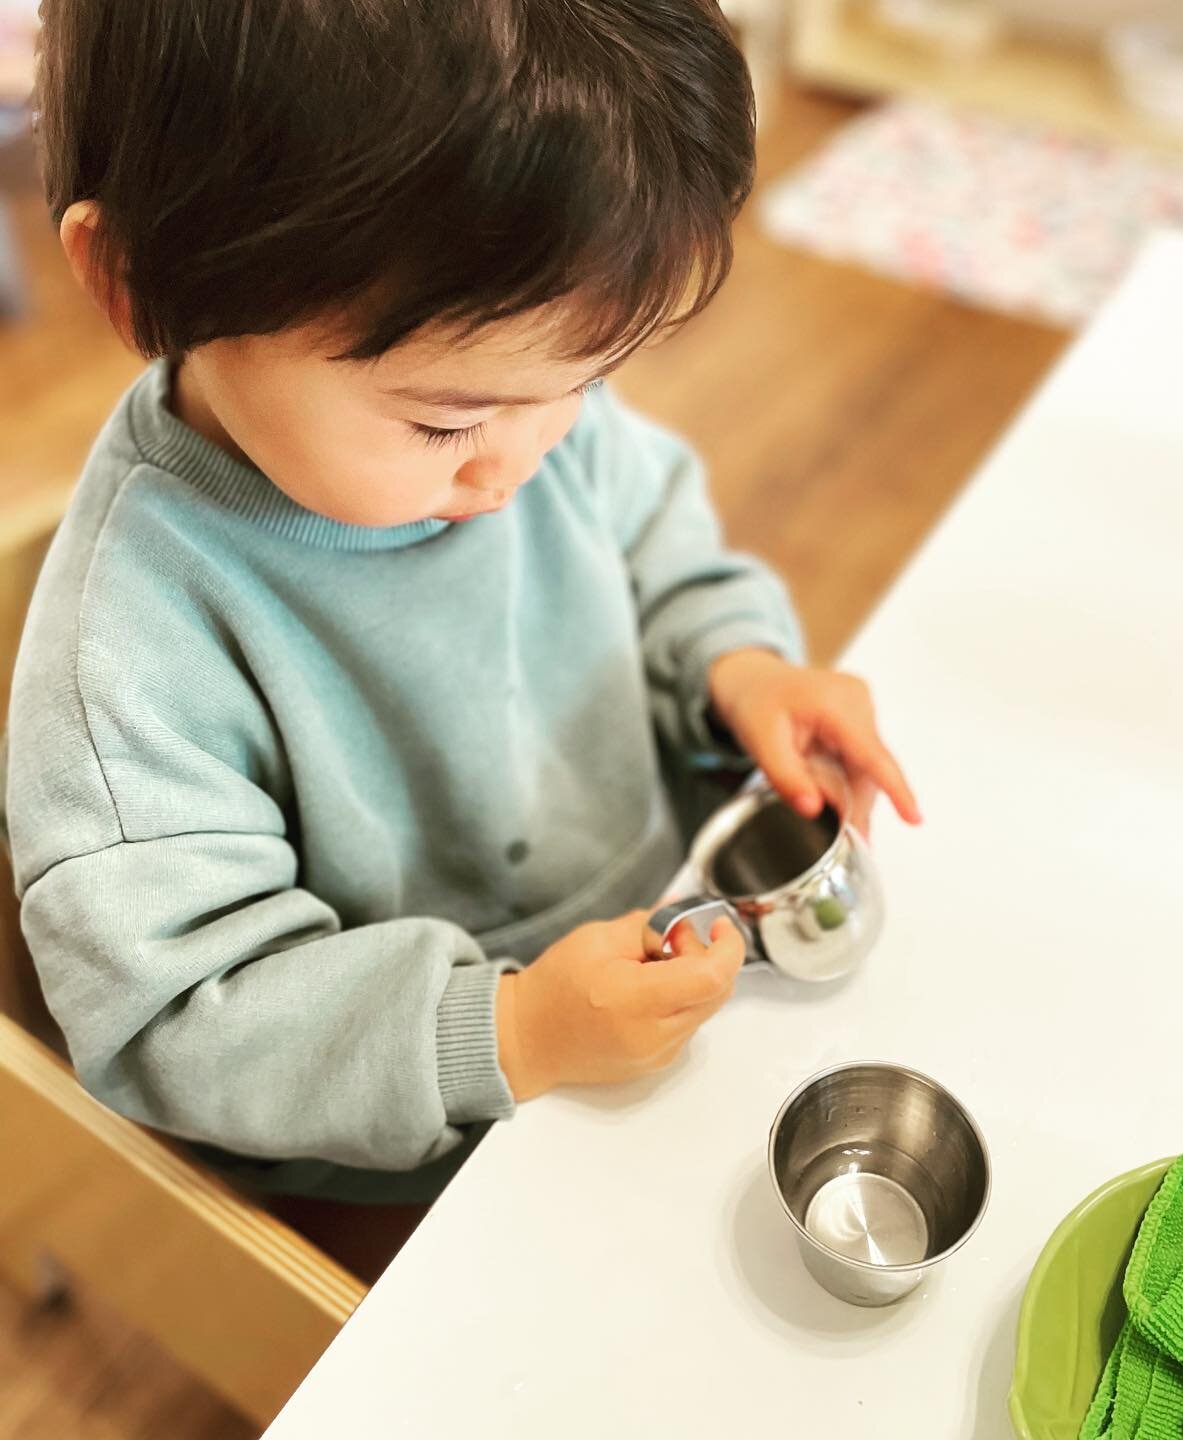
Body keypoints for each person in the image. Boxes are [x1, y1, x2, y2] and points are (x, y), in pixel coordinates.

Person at [1, 0, 920, 1235]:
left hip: (653, 970)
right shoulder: (131, 657)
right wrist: (508, 1030)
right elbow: (182, 1019)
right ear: (137, 281)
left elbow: (655, 532)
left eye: (589, 382)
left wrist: (737, 660)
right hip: (412, 1164)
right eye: (444, 424)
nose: (522, 465)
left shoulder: (514, 397)